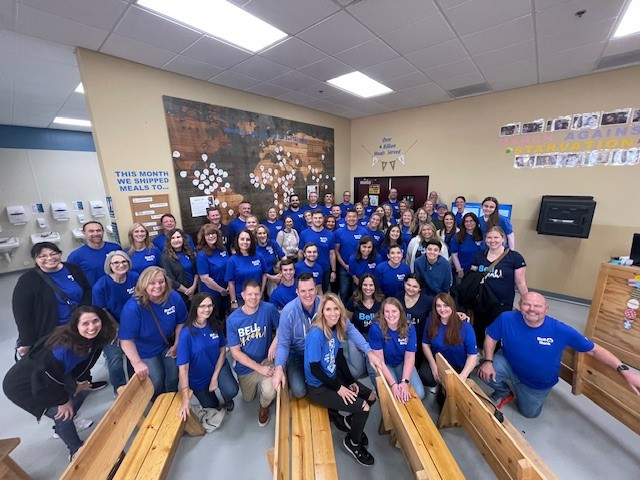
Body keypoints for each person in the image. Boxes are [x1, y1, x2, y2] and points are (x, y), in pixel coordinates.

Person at [478, 292, 640, 417]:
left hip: (536, 383)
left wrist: (624, 370)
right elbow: (491, 337)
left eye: (537, 306)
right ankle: (505, 392)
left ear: (546, 309)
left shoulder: (560, 330)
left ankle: (526, 394)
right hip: (508, 365)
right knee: (484, 371)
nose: (531, 309)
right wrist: (488, 361)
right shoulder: (507, 318)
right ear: (519, 306)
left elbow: (594, 349)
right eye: (526, 304)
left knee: (529, 414)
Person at [3, 306, 116, 460]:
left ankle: (60, 428)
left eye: (96, 321)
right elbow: (48, 377)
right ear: (76, 325)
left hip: (52, 375)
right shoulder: (63, 347)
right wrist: (62, 401)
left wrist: (76, 386)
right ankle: (75, 449)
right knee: (64, 414)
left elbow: (63, 370)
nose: (92, 327)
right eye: (85, 324)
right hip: (25, 385)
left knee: (82, 391)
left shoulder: (91, 340)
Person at [274, 274, 380, 401]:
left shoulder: (326, 304)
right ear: (297, 292)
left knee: (350, 374)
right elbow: (283, 344)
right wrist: (279, 367)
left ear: (316, 289)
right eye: (303, 291)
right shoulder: (288, 312)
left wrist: (368, 351)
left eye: (311, 290)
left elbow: (350, 328)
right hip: (298, 354)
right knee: (299, 391)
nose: (308, 294)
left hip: (324, 351)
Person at [304, 293, 377, 467]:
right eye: (328, 309)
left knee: (371, 396)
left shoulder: (336, 328)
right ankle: (352, 442)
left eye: (336, 308)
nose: (333, 313)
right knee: (364, 408)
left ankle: (352, 420)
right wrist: (339, 388)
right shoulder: (316, 334)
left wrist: (350, 381)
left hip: (333, 377)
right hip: (319, 387)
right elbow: (314, 369)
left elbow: (339, 357)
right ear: (322, 311)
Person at [12, 242, 91, 359]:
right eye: (42, 256)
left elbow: (87, 290)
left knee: (81, 358)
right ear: (35, 259)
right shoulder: (28, 280)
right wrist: (25, 340)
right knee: (58, 363)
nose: (49, 258)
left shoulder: (72, 269)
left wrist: (85, 313)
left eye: (53, 254)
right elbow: (22, 314)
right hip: (52, 332)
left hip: (78, 326)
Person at [119, 267, 187, 397]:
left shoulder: (173, 297)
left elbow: (181, 322)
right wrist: (137, 363)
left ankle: (171, 399)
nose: (158, 286)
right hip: (145, 349)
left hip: (167, 344)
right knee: (156, 380)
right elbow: (126, 340)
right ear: (144, 284)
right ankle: (156, 402)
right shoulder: (133, 308)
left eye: (161, 282)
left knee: (173, 376)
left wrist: (177, 344)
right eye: (152, 283)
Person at [226, 280, 279, 427]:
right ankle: (253, 383)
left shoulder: (269, 309)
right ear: (242, 295)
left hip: (265, 359)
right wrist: (259, 369)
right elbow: (235, 353)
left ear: (261, 294)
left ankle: (264, 407)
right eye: (250, 294)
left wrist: (274, 344)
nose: (253, 297)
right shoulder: (233, 320)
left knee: (270, 392)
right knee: (248, 398)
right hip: (246, 366)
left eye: (257, 294)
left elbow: (282, 328)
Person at [177, 293, 238, 419]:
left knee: (231, 390)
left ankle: (227, 399)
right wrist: (185, 398)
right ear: (195, 308)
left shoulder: (214, 324)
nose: (207, 309)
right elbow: (183, 368)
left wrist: (215, 378)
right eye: (202, 306)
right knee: (212, 405)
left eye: (209, 306)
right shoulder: (185, 334)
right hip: (198, 377)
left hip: (218, 366)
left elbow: (222, 351)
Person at [470, 226, 527, 347]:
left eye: (496, 237)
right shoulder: (479, 255)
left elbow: (520, 282)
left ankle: (492, 357)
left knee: (497, 329)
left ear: (503, 239)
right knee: (478, 327)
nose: (492, 240)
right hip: (481, 299)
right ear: (485, 240)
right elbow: (473, 275)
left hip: (502, 301)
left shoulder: (515, 257)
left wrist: (526, 300)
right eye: (489, 237)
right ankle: (479, 351)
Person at [92, 250, 139, 394]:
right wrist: (118, 330)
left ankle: (136, 386)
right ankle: (119, 390)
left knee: (133, 356)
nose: (121, 265)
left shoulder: (135, 277)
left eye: (124, 261)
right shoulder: (101, 286)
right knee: (116, 360)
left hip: (133, 324)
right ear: (109, 266)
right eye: (116, 262)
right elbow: (102, 311)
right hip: (110, 327)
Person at [368, 297, 425, 401]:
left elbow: (409, 357)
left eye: (394, 311)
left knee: (419, 394)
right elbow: (380, 361)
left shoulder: (409, 327)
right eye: (387, 311)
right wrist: (393, 384)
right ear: (383, 313)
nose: (391, 315)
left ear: (400, 312)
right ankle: (377, 386)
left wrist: (404, 382)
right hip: (384, 364)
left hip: (402, 362)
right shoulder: (376, 328)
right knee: (392, 396)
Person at [420, 293, 478, 396]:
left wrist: (463, 376)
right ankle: (437, 384)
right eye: (439, 306)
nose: (442, 309)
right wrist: (433, 365)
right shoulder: (430, 322)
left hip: (458, 366)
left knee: (451, 397)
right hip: (439, 362)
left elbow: (472, 355)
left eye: (446, 305)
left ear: (452, 306)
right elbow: (425, 344)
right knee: (426, 376)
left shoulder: (465, 327)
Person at [345, 273, 384, 379]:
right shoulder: (353, 300)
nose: (368, 288)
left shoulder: (381, 301)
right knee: (358, 372)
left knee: (373, 368)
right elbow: (346, 323)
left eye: (371, 285)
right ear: (360, 286)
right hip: (357, 336)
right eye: (365, 285)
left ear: (375, 286)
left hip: (375, 338)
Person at [394, 273, 432, 372]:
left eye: (415, 286)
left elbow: (441, 311)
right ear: (404, 284)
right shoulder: (397, 296)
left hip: (418, 340)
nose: (411, 288)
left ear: (420, 288)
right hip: (399, 336)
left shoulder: (428, 301)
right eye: (408, 285)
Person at [67, 221, 121, 286]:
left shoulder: (115, 248)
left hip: (118, 289)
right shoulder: (75, 256)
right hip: (95, 293)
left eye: (98, 230)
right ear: (84, 233)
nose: (95, 234)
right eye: (91, 231)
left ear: (103, 231)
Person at [225, 230, 267, 309]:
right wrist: (233, 301)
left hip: (258, 297)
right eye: (242, 239)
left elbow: (264, 274)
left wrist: (261, 292)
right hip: (241, 299)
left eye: (248, 239)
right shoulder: (232, 260)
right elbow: (231, 283)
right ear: (237, 241)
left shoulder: (259, 256)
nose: (245, 242)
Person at [196, 224, 230, 318]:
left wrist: (229, 286)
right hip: (213, 293)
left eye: (213, 233)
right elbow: (204, 278)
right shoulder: (202, 255)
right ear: (204, 238)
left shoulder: (222, 248)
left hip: (227, 290)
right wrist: (220, 290)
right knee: (215, 318)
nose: (211, 236)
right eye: (208, 235)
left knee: (224, 316)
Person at [298, 209, 336, 293]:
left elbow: (332, 254)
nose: (318, 220)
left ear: (323, 219)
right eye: (315, 218)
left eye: (320, 218)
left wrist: (333, 271)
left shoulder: (330, 235)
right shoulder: (304, 233)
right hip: (307, 269)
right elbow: (300, 252)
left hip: (325, 269)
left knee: (323, 292)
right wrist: (299, 266)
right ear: (311, 219)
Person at [334, 209, 367, 303]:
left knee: (358, 292)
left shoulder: (363, 232)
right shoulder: (339, 232)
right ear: (345, 218)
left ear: (357, 218)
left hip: (359, 267)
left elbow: (367, 249)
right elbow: (336, 251)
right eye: (349, 216)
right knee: (344, 292)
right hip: (344, 267)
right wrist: (345, 265)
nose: (351, 219)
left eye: (354, 217)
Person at [161, 228, 199, 308]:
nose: (176, 240)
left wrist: (193, 288)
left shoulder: (189, 252)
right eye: (173, 238)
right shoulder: (165, 257)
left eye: (178, 237)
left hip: (195, 290)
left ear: (183, 239)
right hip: (179, 294)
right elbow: (170, 279)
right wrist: (187, 292)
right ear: (169, 241)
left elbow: (196, 271)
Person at [450, 212, 484, 280]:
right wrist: (459, 270)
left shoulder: (482, 235)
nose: (469, 223)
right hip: (463, 271)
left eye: (471, 221)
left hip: (479, 271)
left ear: (476, 222)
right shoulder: (457, 236)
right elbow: (454, 255)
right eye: (466, 221)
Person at [255, 224, 286, 297]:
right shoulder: (254, 247)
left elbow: (284, 257)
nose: (262, 235)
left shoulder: (272, 243)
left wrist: (282, 273)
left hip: (274, 276)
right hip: (260, 278)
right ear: (256, 235)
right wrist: (270, 277)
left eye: (264, 233)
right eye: (259, 233)